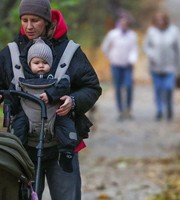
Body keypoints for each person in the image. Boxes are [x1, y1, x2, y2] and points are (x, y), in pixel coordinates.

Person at [0, 0, 102, 199]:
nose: (29, 26)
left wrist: (73, 101)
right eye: (24, 20)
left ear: (46, 21)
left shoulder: (70, 52)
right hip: (22, 149)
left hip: (62, 146)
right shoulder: (10, 53)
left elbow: (92, 87)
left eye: (35, 21)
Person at [5, 37, 81, 173]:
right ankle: (18, 154)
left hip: (53, 111)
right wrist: (9, 106)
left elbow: (64, 85)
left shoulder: (57, 77)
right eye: (37, 62)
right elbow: (12, 94)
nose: (41, 65)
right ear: (29, 64)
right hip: (28, 111)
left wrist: (51, 94)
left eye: (45, 62)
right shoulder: (22, 78)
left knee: (66, 127)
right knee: (18, 128)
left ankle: (67, 154)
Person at [143, 11, 180, 120]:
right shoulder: (151, 31)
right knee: (158, 90)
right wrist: (151, 54)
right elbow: (146, 46)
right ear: (155, 21)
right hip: (155, 67)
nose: (160, 22)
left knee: (169, 88)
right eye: (157, 20)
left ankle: (169, 106)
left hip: (170, 67)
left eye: (162, 20)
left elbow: (179, 49)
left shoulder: (174, 31)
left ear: (166, 20)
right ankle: (159, 110)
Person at [101, 15, 138, 121]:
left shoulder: (132, 35)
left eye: (126, 23)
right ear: (118, 23)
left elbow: (134, 49)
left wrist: (133, 59)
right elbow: (105, 47)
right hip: (116, 64)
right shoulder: (112, 34)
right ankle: (120, 110)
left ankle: (128, 109)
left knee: (129, 86)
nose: (124, 25)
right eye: (122, 23)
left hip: (127, 65)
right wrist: (110, 57)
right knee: (117, 87)